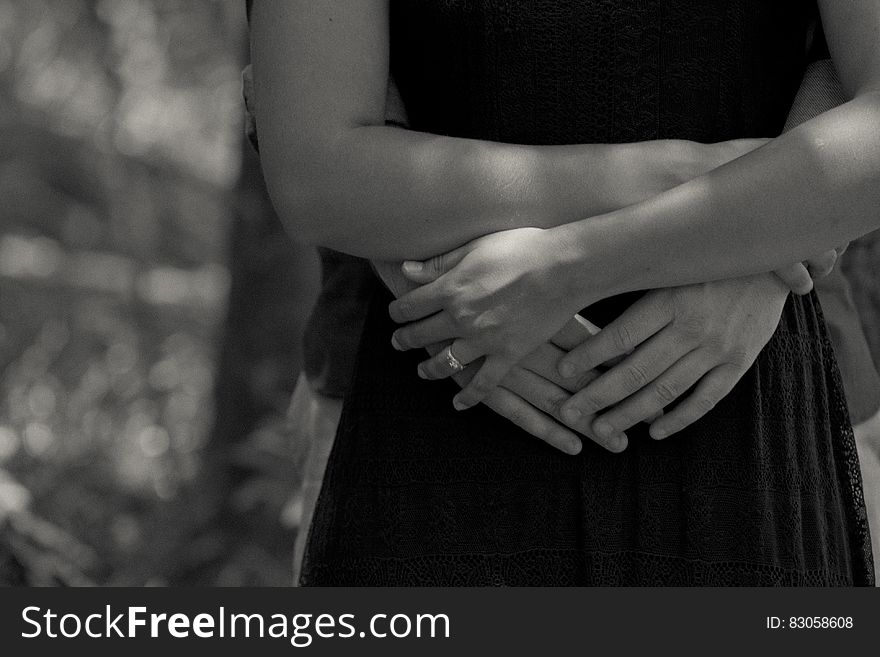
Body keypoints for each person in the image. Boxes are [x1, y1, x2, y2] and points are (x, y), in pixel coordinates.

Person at [252, 1, 877, 585]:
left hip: (746, 382)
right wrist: (690, 177)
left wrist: (577, 268)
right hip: (436, 391)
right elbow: (317, 162)